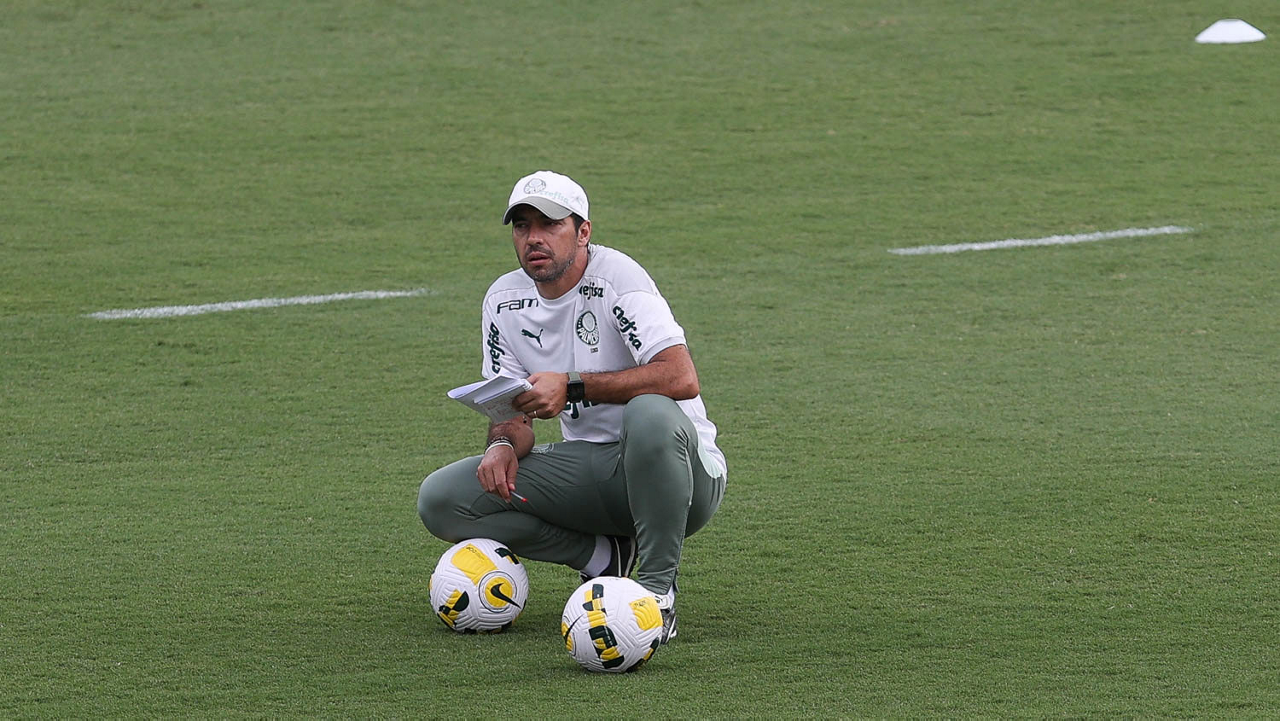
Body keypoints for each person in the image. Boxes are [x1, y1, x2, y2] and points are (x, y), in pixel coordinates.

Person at [417, 170, 726, 643]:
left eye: (550, 224)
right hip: (593, 474)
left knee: (648, 412)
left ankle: (655, 596)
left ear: (583, 232)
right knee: (442, 500)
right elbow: (512, 415)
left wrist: (574, 386)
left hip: (683, 475)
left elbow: (680, 377)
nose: (533, 239)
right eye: (522, 226)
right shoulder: (503, 301)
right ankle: (601, 557)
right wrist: (502, 443)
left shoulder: (619, 278)